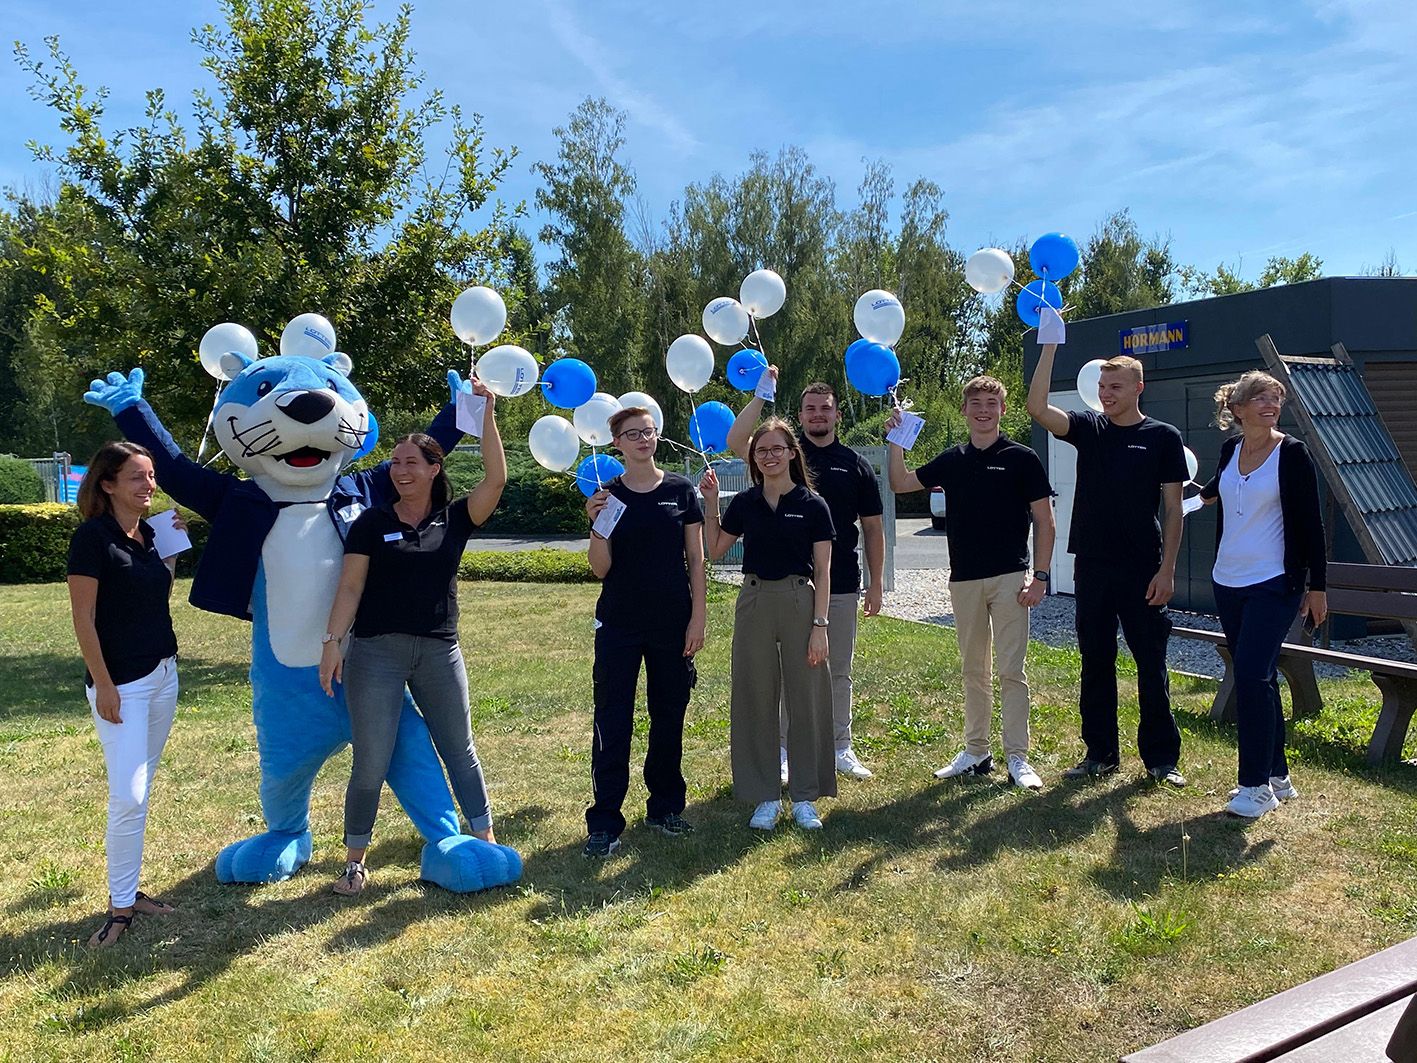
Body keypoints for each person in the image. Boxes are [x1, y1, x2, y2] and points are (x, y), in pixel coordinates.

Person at [319, 380, 506, 895]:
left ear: (434, 469)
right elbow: (351, 585)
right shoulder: (371, 523)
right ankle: (356, 860)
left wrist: (486, 416)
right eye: (395, 463)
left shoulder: (456, 518)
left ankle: (486, 841)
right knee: (371, 759)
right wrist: (332, 642)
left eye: (410, 463)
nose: (399, 471)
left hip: (440, 650)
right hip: (375, 653)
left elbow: (496, 478)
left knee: (459, 748)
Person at [1026, 345, 1189, 786]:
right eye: (1101, 387)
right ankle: (1100, 753)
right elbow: (1037, 407)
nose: (1105, 394)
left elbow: (1173, 510)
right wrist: (1050, 347)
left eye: (1114, 386)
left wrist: (1167, 569)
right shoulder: (1089, 429)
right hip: (1093, 566)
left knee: (1150, 663)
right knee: (1095, 661)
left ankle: (1161, 760)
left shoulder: (1163, 436)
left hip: (1143, 568)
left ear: (1139, 387)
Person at [886, 376, 1056, 789]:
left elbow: (1045, 520)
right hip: (964, 580)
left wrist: (1041, 577)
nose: (983, 410)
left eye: (991, 403)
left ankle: (1018, 757)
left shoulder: (1022, 458)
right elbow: (900, 482)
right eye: (976, 403)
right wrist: (895, 438)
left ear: (1002, 409)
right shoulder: (952, 459)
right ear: (964, 410)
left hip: (1011, 577)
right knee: (973, 670)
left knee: (1011, 671)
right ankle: (977, 752)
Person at [725, 371, 883, 782]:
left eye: (825, 408)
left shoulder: (856, 465)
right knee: (779, 671)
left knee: (835, 669)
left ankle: (839, 746)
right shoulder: (781, 454)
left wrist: (877, 582)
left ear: (837, 415)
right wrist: (761, 394)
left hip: (840, 581)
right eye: (810, 409)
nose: (817, 415)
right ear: (799, 416)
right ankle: (780, 749)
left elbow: (873, 528)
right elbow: (735, 439)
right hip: (784, 586)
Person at [67, 442, 183, 946]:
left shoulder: (150, 532)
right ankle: (119, 909)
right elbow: (83, 618)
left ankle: (131, 892)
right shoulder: (92, 538)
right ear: (108, 484)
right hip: (123, 687)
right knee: (129, 796)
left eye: (151, 475)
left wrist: (172, 552)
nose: (148, 485)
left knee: (141, 789)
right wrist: (105, 683)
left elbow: (154, 596)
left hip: (163, 675)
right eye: (136, 477)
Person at [1199, 371, 1327, 818]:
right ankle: (1277, 774)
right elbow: (1215, 491)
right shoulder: (1230, 450)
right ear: (1236, 408)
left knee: (1251, 676)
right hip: (1227, 581)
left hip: (1275, 583)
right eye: (1260, 399)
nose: (1270, 405)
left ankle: (1254, 787)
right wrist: (1179, 491)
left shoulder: (1292, 454)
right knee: (1261, 677)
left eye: (1276, 398)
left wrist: (1318, 588)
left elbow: (1312, 525)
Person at [581, 407, 707, 857]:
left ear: (657, 437)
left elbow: (696, 559)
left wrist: (698, 617)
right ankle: (605, 821)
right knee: (612, 719)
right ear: (616, 443)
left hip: (672, 621)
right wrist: (596, 526)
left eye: (648, 432)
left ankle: (665, 808)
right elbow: (600, 569)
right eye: (631, 434)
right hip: (619, 622)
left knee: (668, 715)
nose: (641, 440)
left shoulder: (679, 491)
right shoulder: (608, 497)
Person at [701, 417, 836, 830]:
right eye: (762, 451)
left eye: (778, 449)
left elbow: (825, 571)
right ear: (754, 460)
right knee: (755, 695)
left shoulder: (812, 504)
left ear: (792, 453)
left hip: (800, 599)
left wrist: (820, 626)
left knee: (807, 697)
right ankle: (764, 795)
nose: (770, 456)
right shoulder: (745, 503)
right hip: (755, 599)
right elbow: (713, 549)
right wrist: (710, 503)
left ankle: (805, 797)